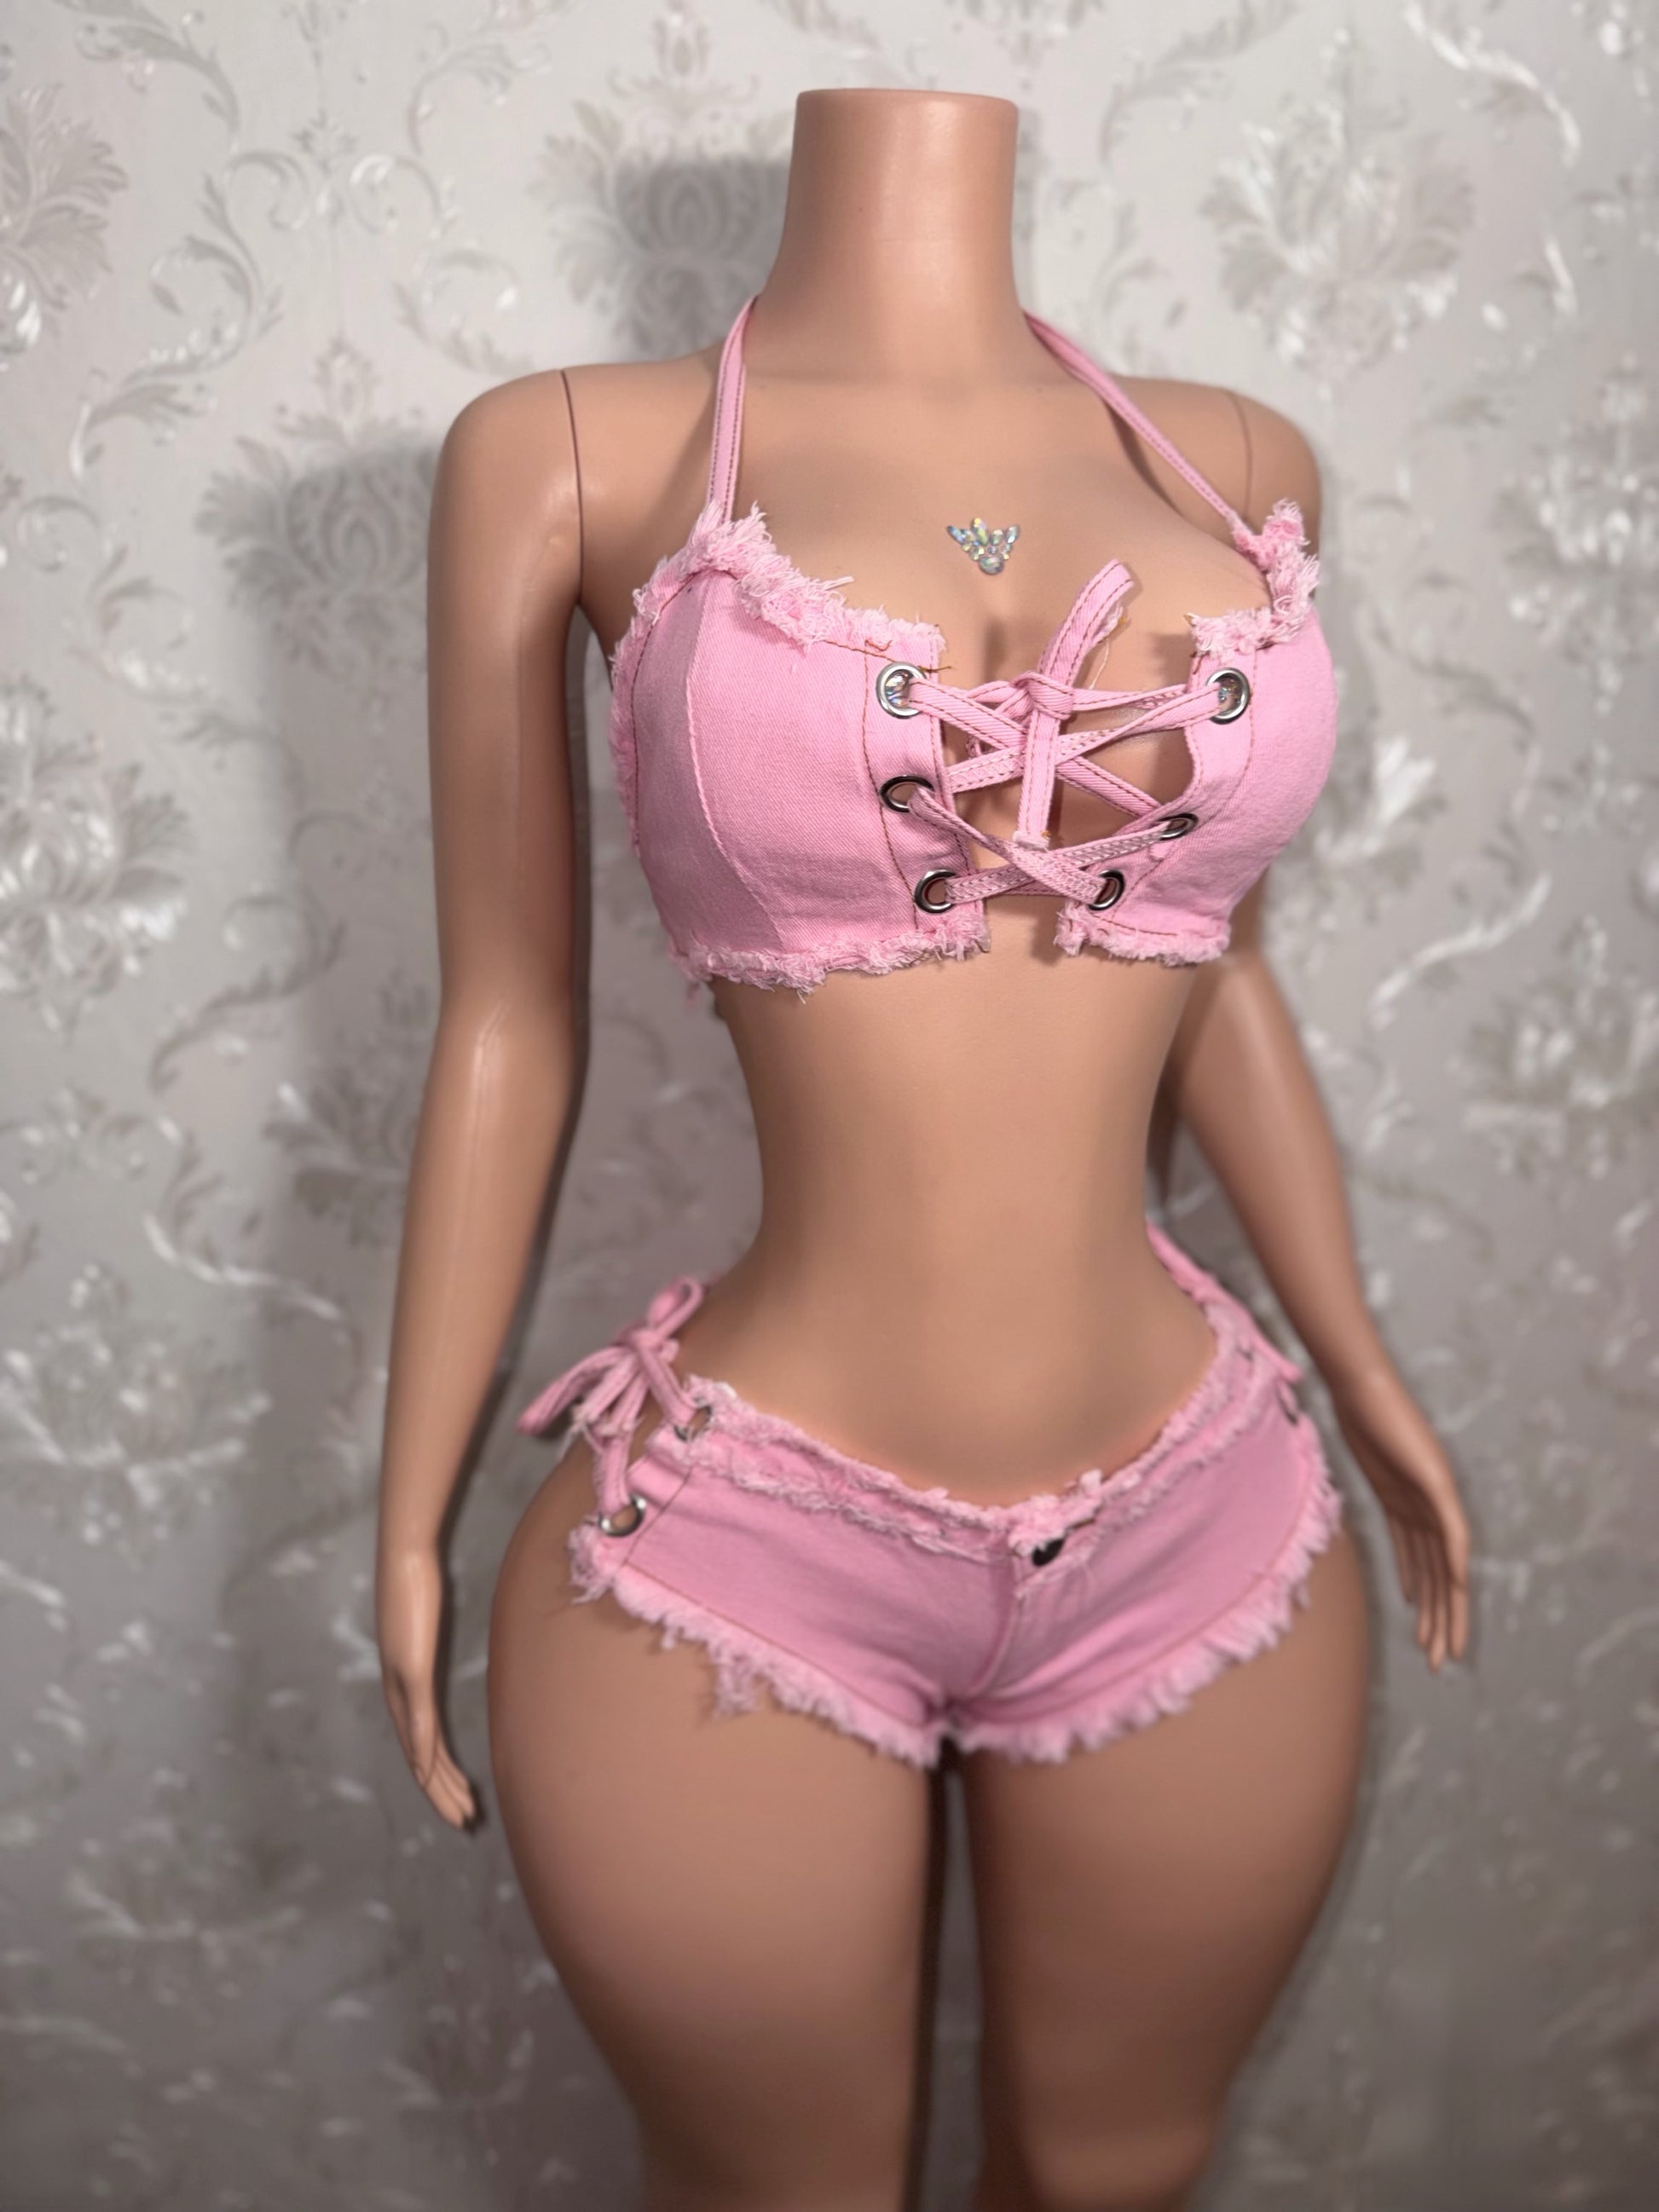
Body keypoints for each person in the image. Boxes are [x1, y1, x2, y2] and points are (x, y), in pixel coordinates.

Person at [376, 87, 1471, 2212]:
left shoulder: (1230, 458)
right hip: (739, 1535)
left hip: (1200, 1501)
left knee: (1119, 2168)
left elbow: (1217, 963)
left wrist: (1355, 1360)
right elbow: (506, 1013)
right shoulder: (569, 452)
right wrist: (406, 1512)